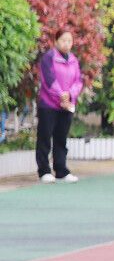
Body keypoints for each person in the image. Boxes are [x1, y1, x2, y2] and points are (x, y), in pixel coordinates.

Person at [35, 28, 83, 183]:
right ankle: (44, 171)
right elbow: (48, 80)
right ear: (56, 41)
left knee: (61, 139)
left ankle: (61, 171)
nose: (66, 44)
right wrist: (61, 94)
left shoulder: (73, 59)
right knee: (44, 137)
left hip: (67, 105)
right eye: (63, 40)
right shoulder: (48, 58)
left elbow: (78, 81)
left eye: (69, 41)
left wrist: (70, 94)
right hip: (49, 105)